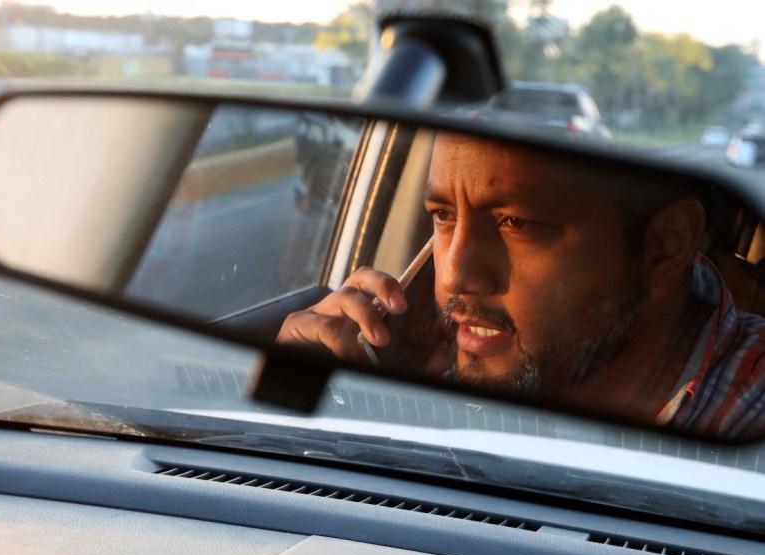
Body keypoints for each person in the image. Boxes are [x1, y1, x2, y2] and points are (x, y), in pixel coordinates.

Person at [278, 130, 765, 438]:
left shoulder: (749, 417)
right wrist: (308, 406)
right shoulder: (433, 371)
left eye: (517, 222)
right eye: (443, 215)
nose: (454, 276)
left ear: (663, 249)